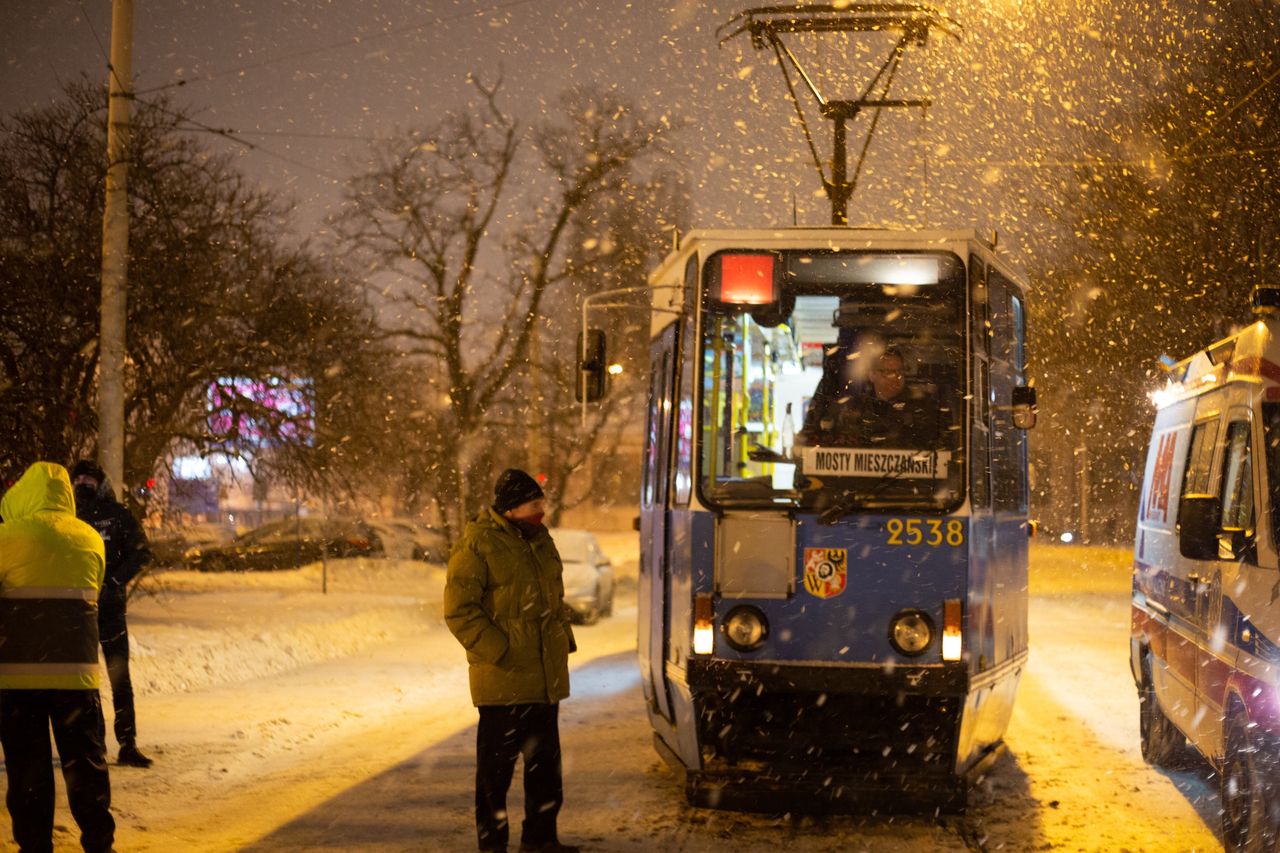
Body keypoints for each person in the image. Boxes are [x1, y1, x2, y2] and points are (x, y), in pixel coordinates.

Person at [444, 469, 579, 853]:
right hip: (503, 683)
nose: (542, 511)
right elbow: (459, 611)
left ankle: (541, 840)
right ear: (512, 508)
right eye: (535, 505)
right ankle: (493, 846)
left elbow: (552, 601)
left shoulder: (540, 540)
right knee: (494, 778)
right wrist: (500, 651)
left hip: (544, 680)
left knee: (545, 773)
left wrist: (560, 640)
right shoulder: (478, 545)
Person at [0, 462, 116, 853]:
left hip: (18, 678)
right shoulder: (90, 539)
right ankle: (99, 842)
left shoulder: (5, 538)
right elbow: (95, 587)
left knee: (29, 772)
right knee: (86, 766)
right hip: (76, 677)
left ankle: (35, 846)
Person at [70, 459, 153, 768]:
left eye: (89, 478)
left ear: (100, 482)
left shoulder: (116, 515)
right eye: (78, 478)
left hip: (111, 612)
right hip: (80, 612)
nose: (83, 483)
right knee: (86, 682)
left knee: (120, 679)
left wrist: (115, 580)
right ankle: (95, 745)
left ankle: (127, 744)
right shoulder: (68, 517)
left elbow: (142, 551)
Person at [800, 347, 940, 448]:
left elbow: (931, 448)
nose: (895, 377)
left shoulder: (920, 409)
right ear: (871, 375)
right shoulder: (854, 409)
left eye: (899, 371)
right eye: (888, 372)